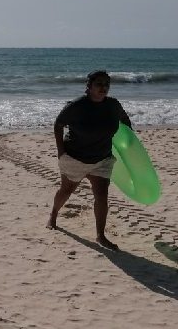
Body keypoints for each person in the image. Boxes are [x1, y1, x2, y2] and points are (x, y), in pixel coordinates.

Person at [48, 70, 132, 251]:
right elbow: (58, 124)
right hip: (75, 158)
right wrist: (60, 151)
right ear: (89, 86)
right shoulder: (77, 106)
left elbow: (125, 121)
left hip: (102, 159)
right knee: (66, 190)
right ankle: (53, 214)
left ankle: (101, 236)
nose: (103, 88)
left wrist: (128, 145)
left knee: (102, 196)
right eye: (99, 84)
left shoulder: (113, 105)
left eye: (106, 84)